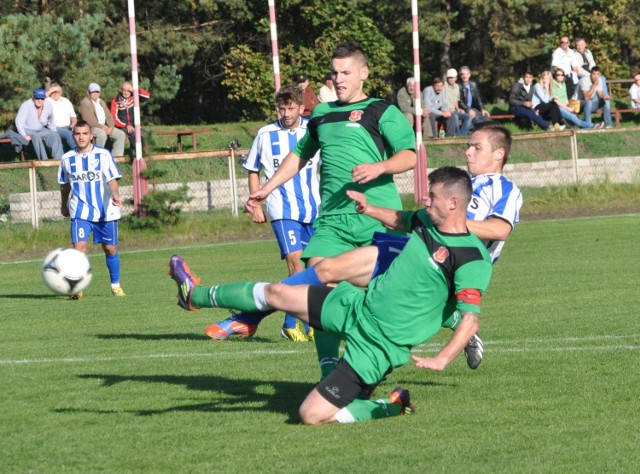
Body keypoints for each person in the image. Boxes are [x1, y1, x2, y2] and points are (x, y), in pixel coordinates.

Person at [169, 166, 493, 425]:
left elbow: (470, 317)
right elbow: (402, 219)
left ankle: (392, 405)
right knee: (278, 291)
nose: (425, 200)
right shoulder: (427, 222)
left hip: (377, 348)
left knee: (310, 416)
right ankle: (194, 295)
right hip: (353, 307)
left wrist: (443, 357)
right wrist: (369, 208)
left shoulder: (470, 256)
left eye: (432, 196)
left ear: (453, 203)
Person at [204, 122, 521, 371]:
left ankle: (250, 315)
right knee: (326, 271)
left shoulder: (503, 189)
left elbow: (499, 230)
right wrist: (370, 209)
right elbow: (409, 219)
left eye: (476, 147)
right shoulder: (458, 184)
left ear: (499, 154)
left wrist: (450, 227)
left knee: (331, 275)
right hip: (415, 260)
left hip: (444, 273)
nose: (467, 152)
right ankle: (255, 319)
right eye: (467, 146)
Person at [206, 41, 417, 380]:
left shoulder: (382, 110)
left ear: (364, 73)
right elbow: (299, 157)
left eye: (346, 72)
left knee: (398, 292)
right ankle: (329, 369)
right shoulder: (319, 114)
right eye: (335, 73)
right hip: (332, 221)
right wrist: (265, 189)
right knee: (320, 291)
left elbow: (410, 155)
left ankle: (461, 321)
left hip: (375, 217)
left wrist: (380, 169)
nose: (340, 79)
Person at [230, 84, 320, 342]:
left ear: (302, 108)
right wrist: (256, 203)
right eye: (281, 108)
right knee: (297, 265)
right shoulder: (266, 134)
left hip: (313, 210)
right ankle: (291, 323)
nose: (286, 113)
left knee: (314, 269)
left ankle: (308, 321)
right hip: (282, 210)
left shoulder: (313, 132)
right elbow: (252, 168)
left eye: (291, 108)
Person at [58, 121, 125, 299]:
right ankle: (77, 287)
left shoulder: (103, 155)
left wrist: (116, 195)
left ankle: (115, 285)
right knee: (79, 248)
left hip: (105, 211)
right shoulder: (66, 159)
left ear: (91, 136)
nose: (81, 137)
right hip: (80, 211)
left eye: (84, 133)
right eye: (77, 134)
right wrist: (64, 205)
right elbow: (64, 185)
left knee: (110, 249)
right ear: (73, 136)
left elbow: (111, 179)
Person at [78, 83, 126, 157]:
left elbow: (109, 116)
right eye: (93, 92)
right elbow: (89, 120)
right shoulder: (85, 103)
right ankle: (98, 156)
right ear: (88, 93)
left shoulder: (101, 102)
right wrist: (102, 128)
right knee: (101, 134)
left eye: (97, 92)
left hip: (104, 126)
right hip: (90, 127)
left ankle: (116, 157)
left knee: (121, 134)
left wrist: (111, 127)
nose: (95, 94)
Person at [14, 88, 64, 160]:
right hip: (27, 129)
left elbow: (51, 120)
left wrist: (52, 131)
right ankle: (43, 159)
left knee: (55, 134)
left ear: (45, 98)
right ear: (33, 97)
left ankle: (59, 159)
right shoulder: (26, 105)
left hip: (40, 129)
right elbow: (19, 121)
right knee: (35, 136)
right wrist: (24, 135)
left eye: (42, 98)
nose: (39, 100)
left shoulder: (48, 105)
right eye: (37, 98)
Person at [110, 81, 151, 153]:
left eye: (128, 91)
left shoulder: (134, 97)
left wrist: (134, 90)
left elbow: (147, 96)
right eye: (124, 90)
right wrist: (126, 125)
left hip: (135, 125)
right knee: (135, 135)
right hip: (122, 127)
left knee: (146, 135)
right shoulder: (115, 101)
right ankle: (136, 154)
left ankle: (145, 154)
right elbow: (114, 118)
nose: (126, 93)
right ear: (121, 90)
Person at [46, 83, 77, 151]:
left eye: (57, 92)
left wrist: (73, 124)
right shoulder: (47, 101)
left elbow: (73, 117)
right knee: (69, 134)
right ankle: (77, 153)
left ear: (61, 92)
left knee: (79, 132)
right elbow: (38, 99)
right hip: (54, 128)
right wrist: (50, 90)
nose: (55, 94)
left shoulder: (66, 101)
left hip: (68, 127)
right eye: (53, 92)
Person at [443, 68, 472, 136]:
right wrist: (445, 108)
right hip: (446, 110)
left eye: (452, 78)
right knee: (455, 116)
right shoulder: (444, 85)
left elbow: (456, 100)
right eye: (449, 77)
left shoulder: (457, 86)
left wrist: (458, 108)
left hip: (454, 110)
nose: (451, 79)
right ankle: (458, 136)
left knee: (469, 117)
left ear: (456, 78)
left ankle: (461, 135)